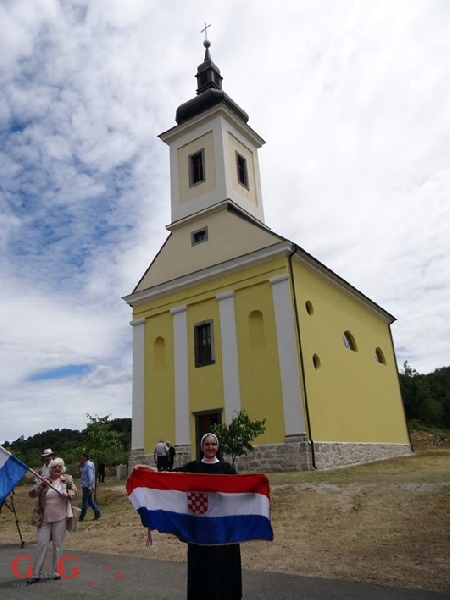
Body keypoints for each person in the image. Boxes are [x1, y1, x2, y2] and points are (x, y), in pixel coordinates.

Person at [138, 433, 241, 599]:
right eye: (207, 444)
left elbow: (240, 489)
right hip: (199, 528)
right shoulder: (192, 468)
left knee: (222, 564)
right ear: (202, 447)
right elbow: (169, 477)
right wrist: (149, 472)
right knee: (201, 566)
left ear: (217, 446)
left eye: (213, 444)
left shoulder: (227, 469)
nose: (210, 447)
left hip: (220, 527)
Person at [28, 457, 77, 584]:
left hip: (60, 517)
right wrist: (42, 485)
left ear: (63, 469)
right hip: (44, 518)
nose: (57, 468)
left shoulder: (67, 479)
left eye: (60, 467)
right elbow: (31, 494)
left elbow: (74, 493)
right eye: (55, 466)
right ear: (50, 469)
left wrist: (68, 494)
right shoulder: (44, 480)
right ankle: (36, 573)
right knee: (42, 544)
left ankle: (56, 571)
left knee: (58, 544)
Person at [78, 453, 101, 521]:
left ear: (85, 458)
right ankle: (97, 513)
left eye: (81, 459)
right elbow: (82, 474)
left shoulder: (88, 465)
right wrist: (79, 467)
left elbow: (91, 476)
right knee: (90, 500)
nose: (80, 460)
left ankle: (81, 517)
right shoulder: (85, 465)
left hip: (87, 486)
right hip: (85, 485)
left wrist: (90, 485)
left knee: (85, 501)